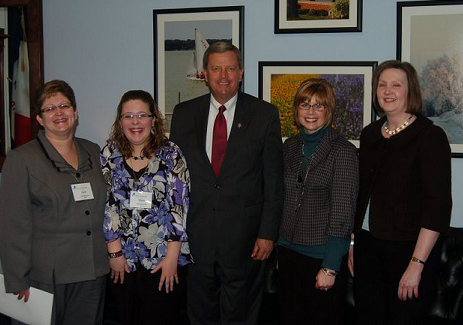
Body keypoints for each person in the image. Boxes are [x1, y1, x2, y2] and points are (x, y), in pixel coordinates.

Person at [170, 42, 284, 325]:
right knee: (199, 315)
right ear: (205, 74)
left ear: (241, 73)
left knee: (241, 315)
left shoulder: (264, 114)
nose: (224, 75)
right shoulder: (183, 114)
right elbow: (174, 179)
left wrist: (267, 234)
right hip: (196, 239)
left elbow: (273, 180)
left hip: (246, 242)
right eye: (216, 68)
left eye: (230, 68)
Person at [349, 60, 452, 324]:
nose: (387, 91)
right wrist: (353, 245)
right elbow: (362, 196)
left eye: (396, 85)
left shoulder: (430, 136)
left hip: (408, 252)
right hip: (368, 249)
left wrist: (417, 264)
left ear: (411, 91)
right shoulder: (370, 134)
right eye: (382, 85)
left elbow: (437, 206)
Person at [0, 80, 108, 324]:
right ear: (39, 119)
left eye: (64, 105)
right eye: (49, 108)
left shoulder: (93, 151)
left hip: (91, 272)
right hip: (45, 276)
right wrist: (17, 278)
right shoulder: (21, 159)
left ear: (75, 112)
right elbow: (13, 224)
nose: (59, 112)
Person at [101, 90, 191, 325]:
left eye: (142, 115)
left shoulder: (171, 154)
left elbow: (179, 208)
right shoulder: (109, 155)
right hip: (123, 261)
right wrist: (114, 253)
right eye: (128, 116)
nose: (135, 122)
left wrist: (172, 258)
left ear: (153, 119)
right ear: (120, 122)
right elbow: (106, 206)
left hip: (163, 261)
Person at [277, 78, 358, 324]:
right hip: (288, 253)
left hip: (322, 257)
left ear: (329, 111)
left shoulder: (343, 151)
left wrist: (331, 266)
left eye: (318, 106)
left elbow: (343, 214)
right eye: (305, 104)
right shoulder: (290, 146)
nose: (311, 112)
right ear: (296, 110)